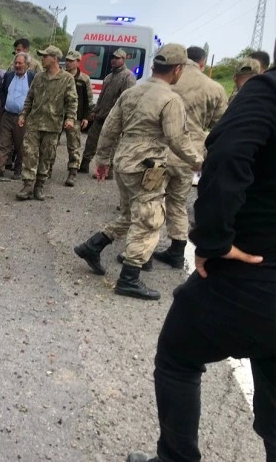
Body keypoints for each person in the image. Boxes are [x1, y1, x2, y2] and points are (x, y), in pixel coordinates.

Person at [126, 56, 276, 462]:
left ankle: (175, 457)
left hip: (253, 272)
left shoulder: (266, 92)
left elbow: (228, 154)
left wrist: (212, 240)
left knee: (177, 354)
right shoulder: (210, 89)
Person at [73, 44, 203, 300]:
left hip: (124, 160)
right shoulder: (170, 99)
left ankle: (93, 246)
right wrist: (198, 160)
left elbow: (110, 127)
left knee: (133, 213)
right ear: (178, 69)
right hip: (147, 165)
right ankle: (129, 278)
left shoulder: (133, 92)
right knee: (150, 219)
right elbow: (176, 139)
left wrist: (102, 159)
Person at [151, 45, 228, 269]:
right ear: (202, 63)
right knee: (177, 201)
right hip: (189, 157)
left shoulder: (166, 81)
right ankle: (177, 250)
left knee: (151, 199)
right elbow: (219, 124)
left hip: (160, 153)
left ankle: (143, 252)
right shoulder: (214, 88)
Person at [16, 45, 77, 201]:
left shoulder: (66, 79)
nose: (42, 59)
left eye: (45, 56)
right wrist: (24, 114)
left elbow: (72, 101)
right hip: (34, 123)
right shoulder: (38, 77)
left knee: (46, 157)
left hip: (53, 124)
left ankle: (39, 186)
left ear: (55, 58)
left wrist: (70, 118)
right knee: (29, 154)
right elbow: (30, 98)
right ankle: (28, 186)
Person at [78, 48, 137, 176]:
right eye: (113, 58)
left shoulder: (128, 77)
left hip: (114, 118)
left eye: (117, 58)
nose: (113, 60)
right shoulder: (109, 76)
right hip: (100, 115)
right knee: (91, 141)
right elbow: (101, 96)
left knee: (109, 146)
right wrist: (95, 110)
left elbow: (128, 100)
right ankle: (84, 165)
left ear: (124, 59)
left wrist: (122, 118)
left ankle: (106, 172)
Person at [0, 52, 35, 180]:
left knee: (21, 145)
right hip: (7, 115)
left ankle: (18, 170)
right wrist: (3, 102)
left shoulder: (32, 77)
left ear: (27, 64)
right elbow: (2, 90)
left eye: (20, 63)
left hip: (23, 118)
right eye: (16, 63)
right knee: (3, 143)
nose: (17, 65)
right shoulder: (9, 76)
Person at [61, 50, 93, 187]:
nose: (68, 62)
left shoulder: (84, 79)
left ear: (78, 62)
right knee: (50, 144)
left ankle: (73, 171)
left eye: (71, 60)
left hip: (75, 117)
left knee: (74, 145)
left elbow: (88, 100)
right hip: (58, 115)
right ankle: (46, 169)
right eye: (67, 60)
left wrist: (86, 117)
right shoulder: (61, 76)